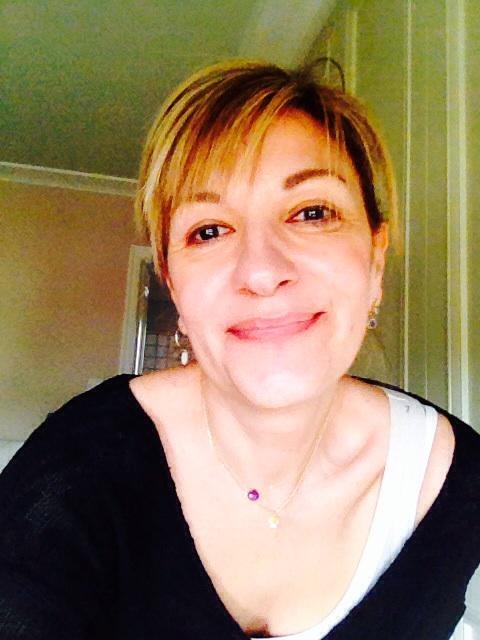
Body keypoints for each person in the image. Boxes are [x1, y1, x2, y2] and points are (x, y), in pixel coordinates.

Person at [0, 60, 479, 640]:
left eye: (311, 213)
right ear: (174, 285)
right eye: (208, 230)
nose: (261, 271)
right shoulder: (72, 474)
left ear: (375, 259)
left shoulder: (456, 481)